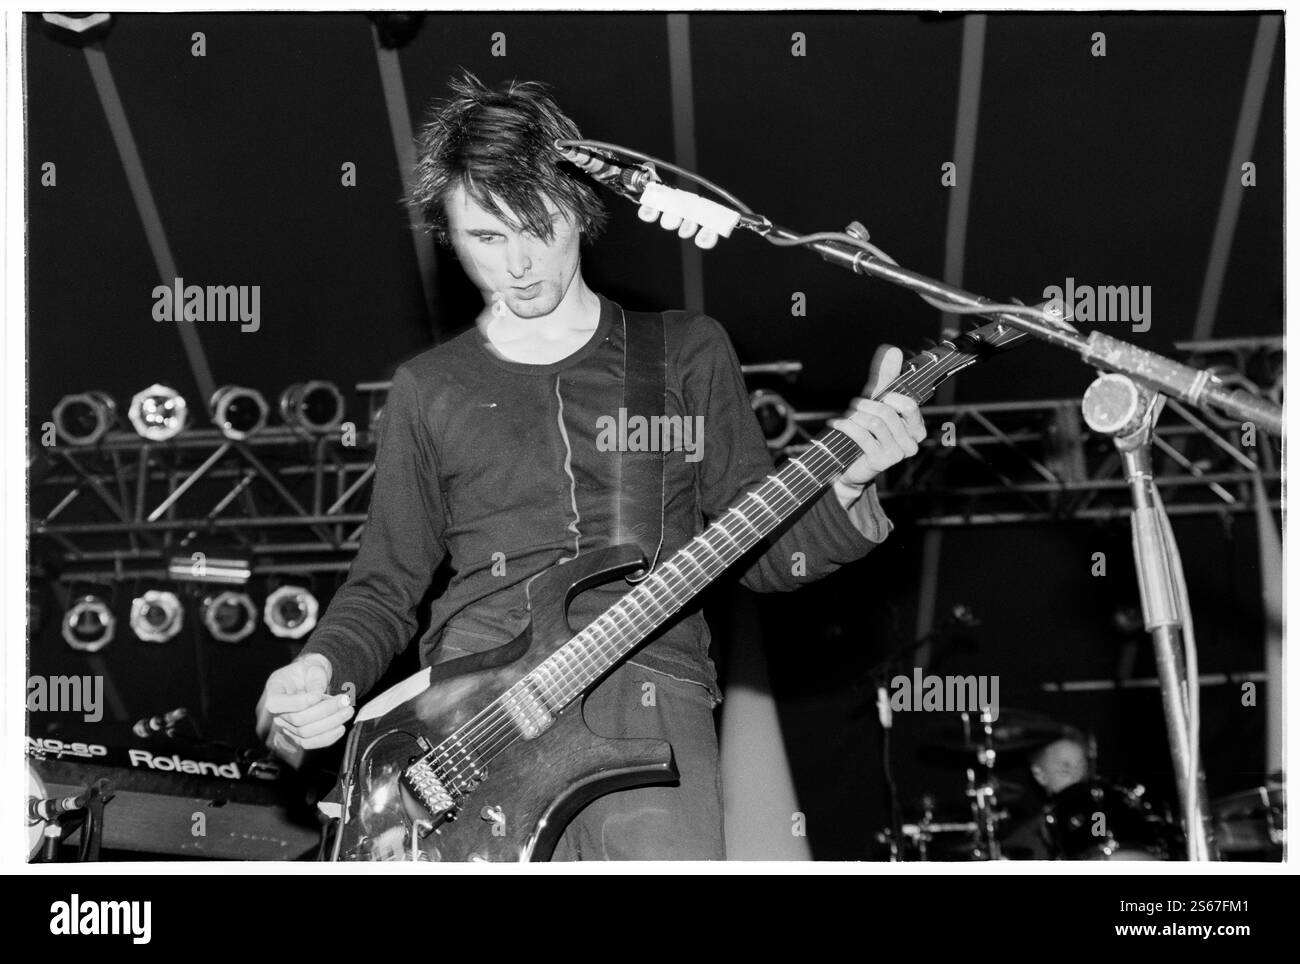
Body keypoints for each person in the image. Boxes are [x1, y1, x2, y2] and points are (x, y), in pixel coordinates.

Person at [256, 72, 925, 860]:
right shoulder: (428, 388)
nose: (519, 265)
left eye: (538, 226)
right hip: (462, 728)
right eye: (487, 238)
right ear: (450, 234)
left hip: (646, 699)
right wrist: (320, 667)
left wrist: (845, 485)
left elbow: (768, 554)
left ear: (579, 204)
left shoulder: (684, 350)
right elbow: (386, 582)